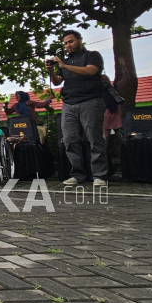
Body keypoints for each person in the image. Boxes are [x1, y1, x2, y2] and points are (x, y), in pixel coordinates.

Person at [47, 30, 108, 187]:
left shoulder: (92, 55)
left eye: (71, 41)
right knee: (69, 139)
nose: (68, 45)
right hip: (69, 103)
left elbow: (90, 71)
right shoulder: (65, 61)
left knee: (94, 139)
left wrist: (63, 65)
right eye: (66, 43)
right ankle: (77, 174)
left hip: (90, 101)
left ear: (80, 41)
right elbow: (56, 82)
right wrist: (51, 70)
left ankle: (99, 175)